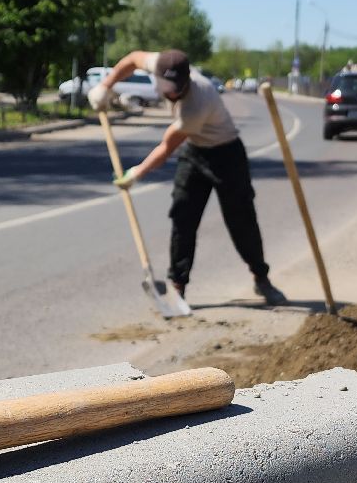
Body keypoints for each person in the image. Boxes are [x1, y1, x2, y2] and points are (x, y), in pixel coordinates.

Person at [90, 49, 284, 306]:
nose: (172, 95)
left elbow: (166, 148)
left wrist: (137, 172)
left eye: (176, 90)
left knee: (241, 220)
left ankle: (261, 277)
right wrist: (106, 86)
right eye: (168, 90)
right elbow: (133, 58)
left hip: (226, 153)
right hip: (194, 151)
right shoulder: (161, 63)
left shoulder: (198, 102)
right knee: (183, 215)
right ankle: (177, 286)